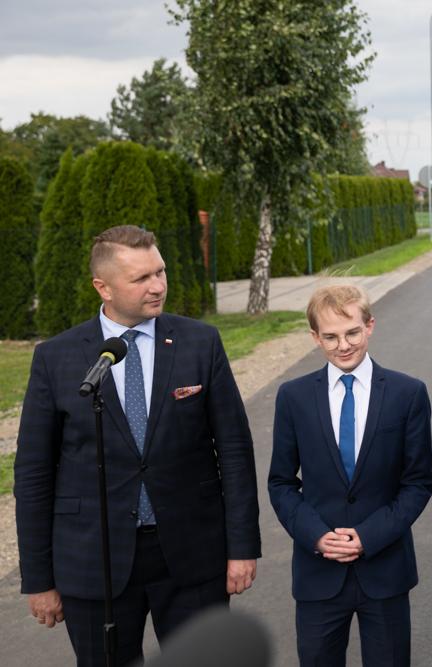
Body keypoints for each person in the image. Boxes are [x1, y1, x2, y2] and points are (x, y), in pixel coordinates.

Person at [15, 225, 260, 666]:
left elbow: (236, 452)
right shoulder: (57, 358)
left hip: (191, 555)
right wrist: (39, 578)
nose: (158, 286)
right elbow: (33, 474)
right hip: (95, 560)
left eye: (160, 272)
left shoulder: (199, 342)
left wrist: (242, 548)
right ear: (102, 287)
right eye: (141, 278)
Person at [268, 285, 432, 666]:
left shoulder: (407, 394)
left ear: (370, 326)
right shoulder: (293, 397)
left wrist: (369, 536)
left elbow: (418, 483)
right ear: (315, 337)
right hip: (317, 571)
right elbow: (281, 483)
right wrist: (317, 536)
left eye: (352, 333)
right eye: (330, 336)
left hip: (385, 569)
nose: (343, 345)